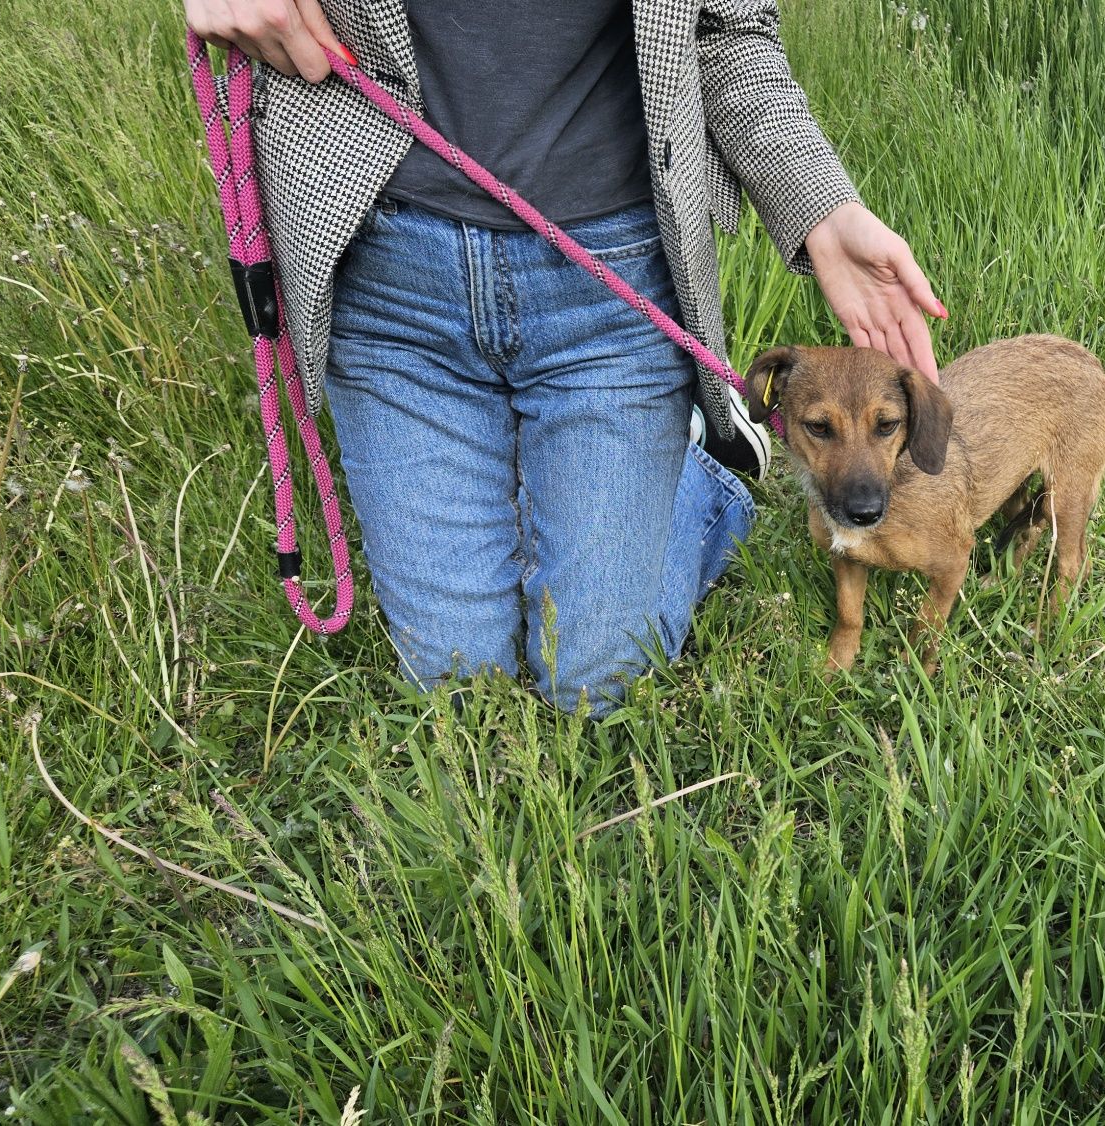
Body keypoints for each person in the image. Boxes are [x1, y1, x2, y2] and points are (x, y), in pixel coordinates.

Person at [184, 0, 946, 712]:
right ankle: (581, 483)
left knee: (592, 679)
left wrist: (821, 203)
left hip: (610, 282)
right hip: (388, 285)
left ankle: (707, 485)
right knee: (454, 682)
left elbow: (727, 29)